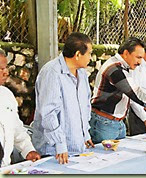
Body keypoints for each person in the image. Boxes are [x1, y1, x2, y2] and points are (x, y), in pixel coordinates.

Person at [89, 37, 146, 143]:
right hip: (105, 124)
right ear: (125, 53)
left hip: (118, 122)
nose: (139, 62)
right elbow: (137, 95)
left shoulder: (125, 67)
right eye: (138, 57)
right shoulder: (114, 69)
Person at [32, 32, 95, 165]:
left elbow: (85, 106)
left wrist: (85, 133)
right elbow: (48, 113)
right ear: (78, 54)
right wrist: (59, 143)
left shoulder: (82, 74)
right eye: (89, 53)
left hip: (76, 148)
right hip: (54, 150)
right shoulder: (52, 72)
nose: (91, 57)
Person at [0, 49, 40, 167]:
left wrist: (28, 150)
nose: (6, 72)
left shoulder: (6, 95)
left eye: (6, 68)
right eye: (1, 69)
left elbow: (16, 127)